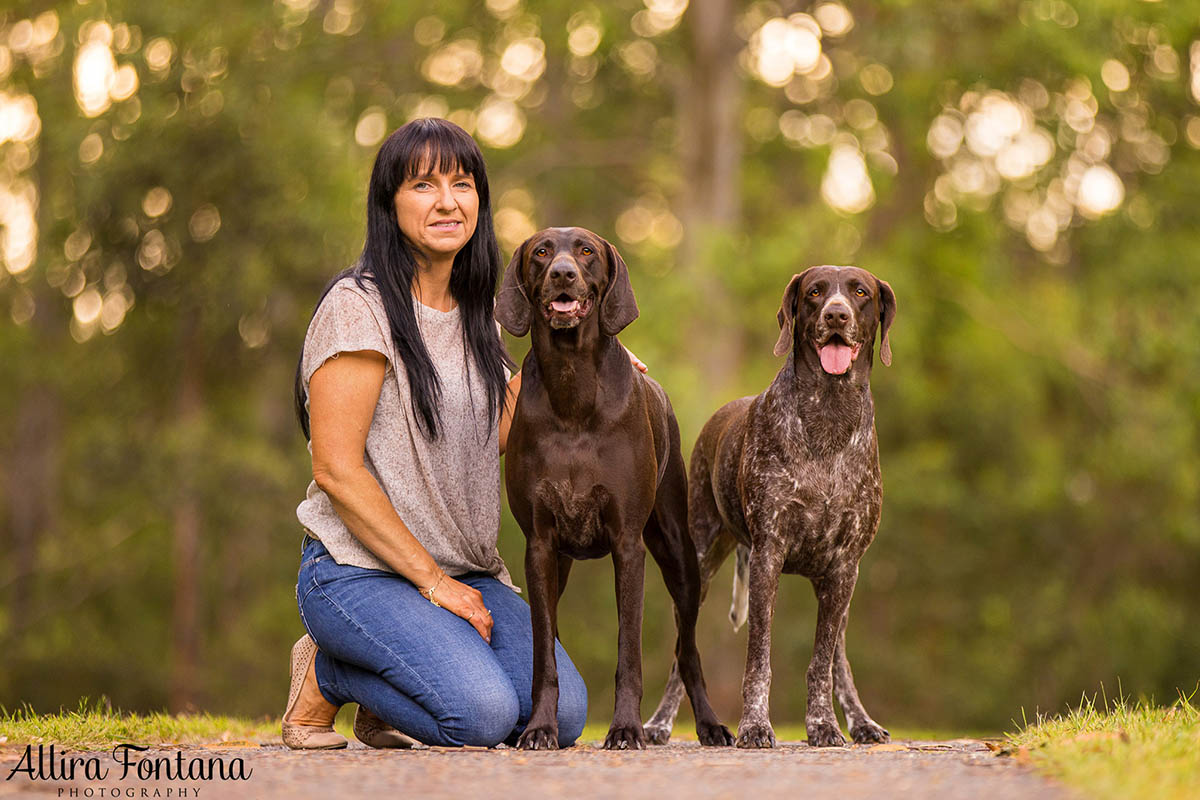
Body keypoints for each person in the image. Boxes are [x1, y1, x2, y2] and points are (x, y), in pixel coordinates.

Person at [282, 118, 613, 749]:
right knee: (480, 717)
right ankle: (329, 672)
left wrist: (579, 368)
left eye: (462, 184)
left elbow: (486, 440)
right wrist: (433, 584)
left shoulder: (480, 317)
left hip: (468, 571)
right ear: (389, 204)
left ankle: (397, 686)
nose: (446, 202)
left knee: (561, 715)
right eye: (423, 185)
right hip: (360, 572)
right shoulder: (360, 307)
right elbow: (336, 470)